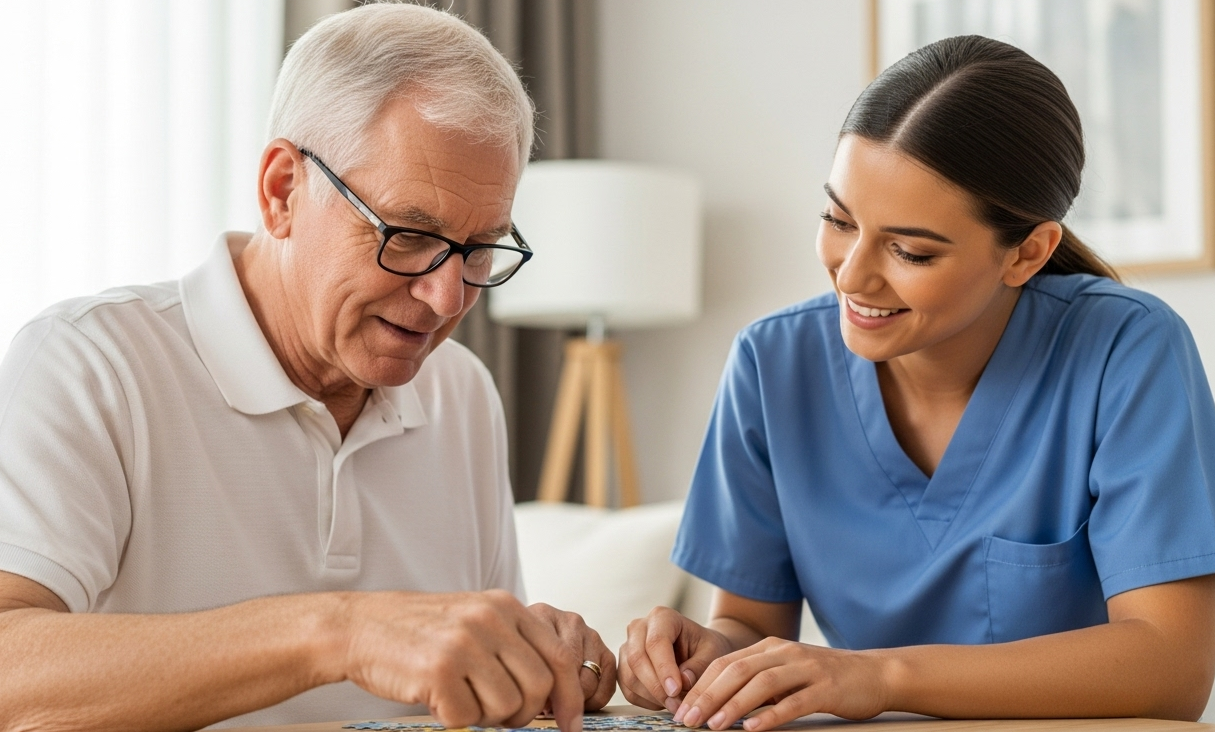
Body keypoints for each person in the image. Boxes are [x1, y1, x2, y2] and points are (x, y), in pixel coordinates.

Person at [0, 5, 615, 730]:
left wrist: (533, 663)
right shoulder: (91, 363)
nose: (448, 298)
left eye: (479, 249)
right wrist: (341, 632)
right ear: (282, 190)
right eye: (409, 235)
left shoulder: (461, 391)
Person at [618, 35, 1215, 727]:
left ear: (1027, 253)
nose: (851, 275)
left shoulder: (1125, 349)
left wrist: (879, 677)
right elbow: (751, 625)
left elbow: (1171, 669)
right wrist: (705, 658)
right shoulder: (771, 363)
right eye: (837, 220)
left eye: (909, 251)